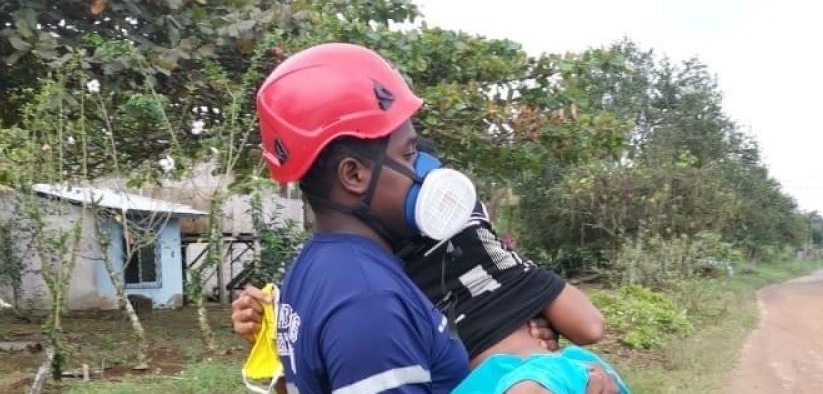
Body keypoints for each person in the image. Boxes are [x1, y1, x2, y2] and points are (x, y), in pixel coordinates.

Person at [233, 42, 624, 394]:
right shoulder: (370, 299)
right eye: (407, 156)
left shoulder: (311, 274)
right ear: (354, 175)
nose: (423, 176)